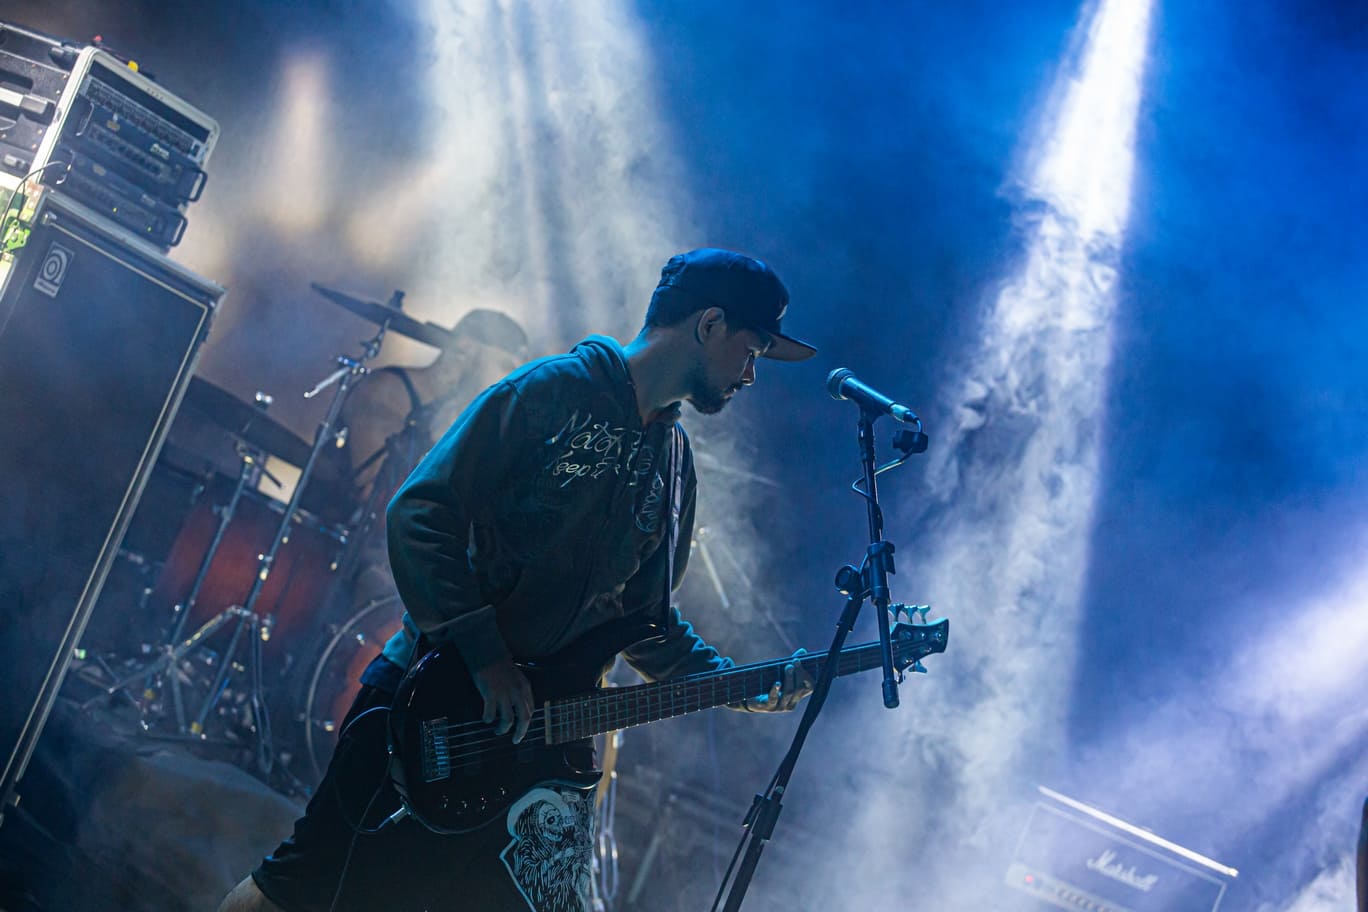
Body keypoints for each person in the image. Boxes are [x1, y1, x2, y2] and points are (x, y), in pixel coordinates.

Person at [218, 248, 817, 912]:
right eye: (751, 351)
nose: (751, 374)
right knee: (300, 889)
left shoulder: (674, 465)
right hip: (433, 708)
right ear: (708, 324)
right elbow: (420, 513)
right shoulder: (550, 392)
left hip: (548, 755)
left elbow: (645, 626)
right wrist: (486, 655)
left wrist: (740, 684)